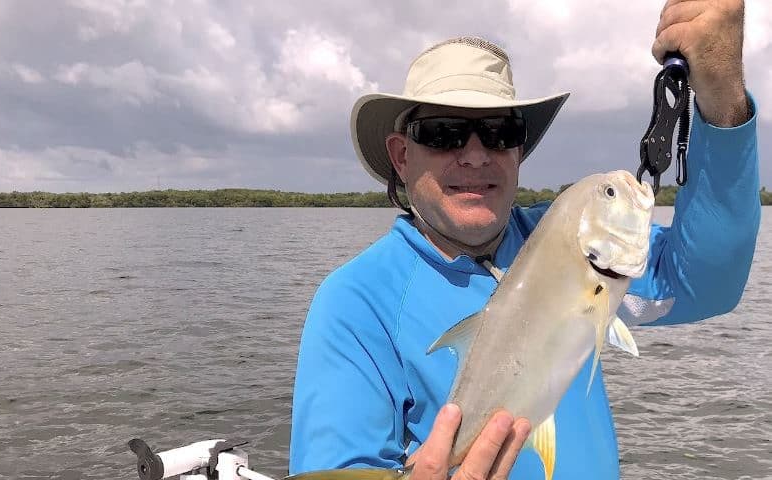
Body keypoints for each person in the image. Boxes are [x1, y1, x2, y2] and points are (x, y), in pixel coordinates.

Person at [289, 1, 760, 479]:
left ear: (518, 149)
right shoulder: (354, 301)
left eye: (498, 131)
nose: (475, 155)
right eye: (443, 132)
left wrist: (721, 98)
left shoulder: (569, 239)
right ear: (401, 155)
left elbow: (706, 282)